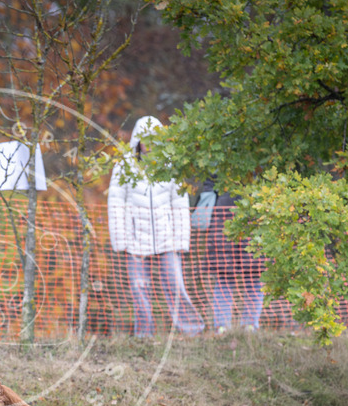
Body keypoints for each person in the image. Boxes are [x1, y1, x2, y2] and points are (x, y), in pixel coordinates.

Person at [108, 116, 204, 337]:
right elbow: (116, 203)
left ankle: (192, 331)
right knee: (139, 288)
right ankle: (144, 334)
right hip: (135, 240)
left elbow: (179, 205)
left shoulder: (171, 166)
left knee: (174, 285)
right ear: (138, 142)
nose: (149, 145)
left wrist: (181, 241)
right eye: (145, 140)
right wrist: (120, 240)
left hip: (166, 238)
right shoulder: (124, 167)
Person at [199, 178, 265, 332]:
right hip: (223, 219)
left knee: (254, 276)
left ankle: (250, 325)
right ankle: (222, 326)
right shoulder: (217, 159)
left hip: (255, 218)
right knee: (224, 277)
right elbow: (209, 182)